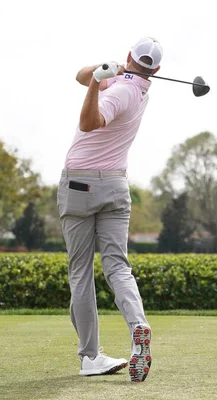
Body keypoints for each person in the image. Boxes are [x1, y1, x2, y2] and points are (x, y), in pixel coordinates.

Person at [57, 37, 162, 382]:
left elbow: (90, 122)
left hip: (80, 185)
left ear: (130, 55)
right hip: (116, 185)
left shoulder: (120, 93)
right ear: (156, 69)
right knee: (118, 266)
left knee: (81, 272)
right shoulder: (138, 87)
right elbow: (79, 75)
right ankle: (138, 325)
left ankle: (90, 357)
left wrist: (98, 86)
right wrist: (101, 72)